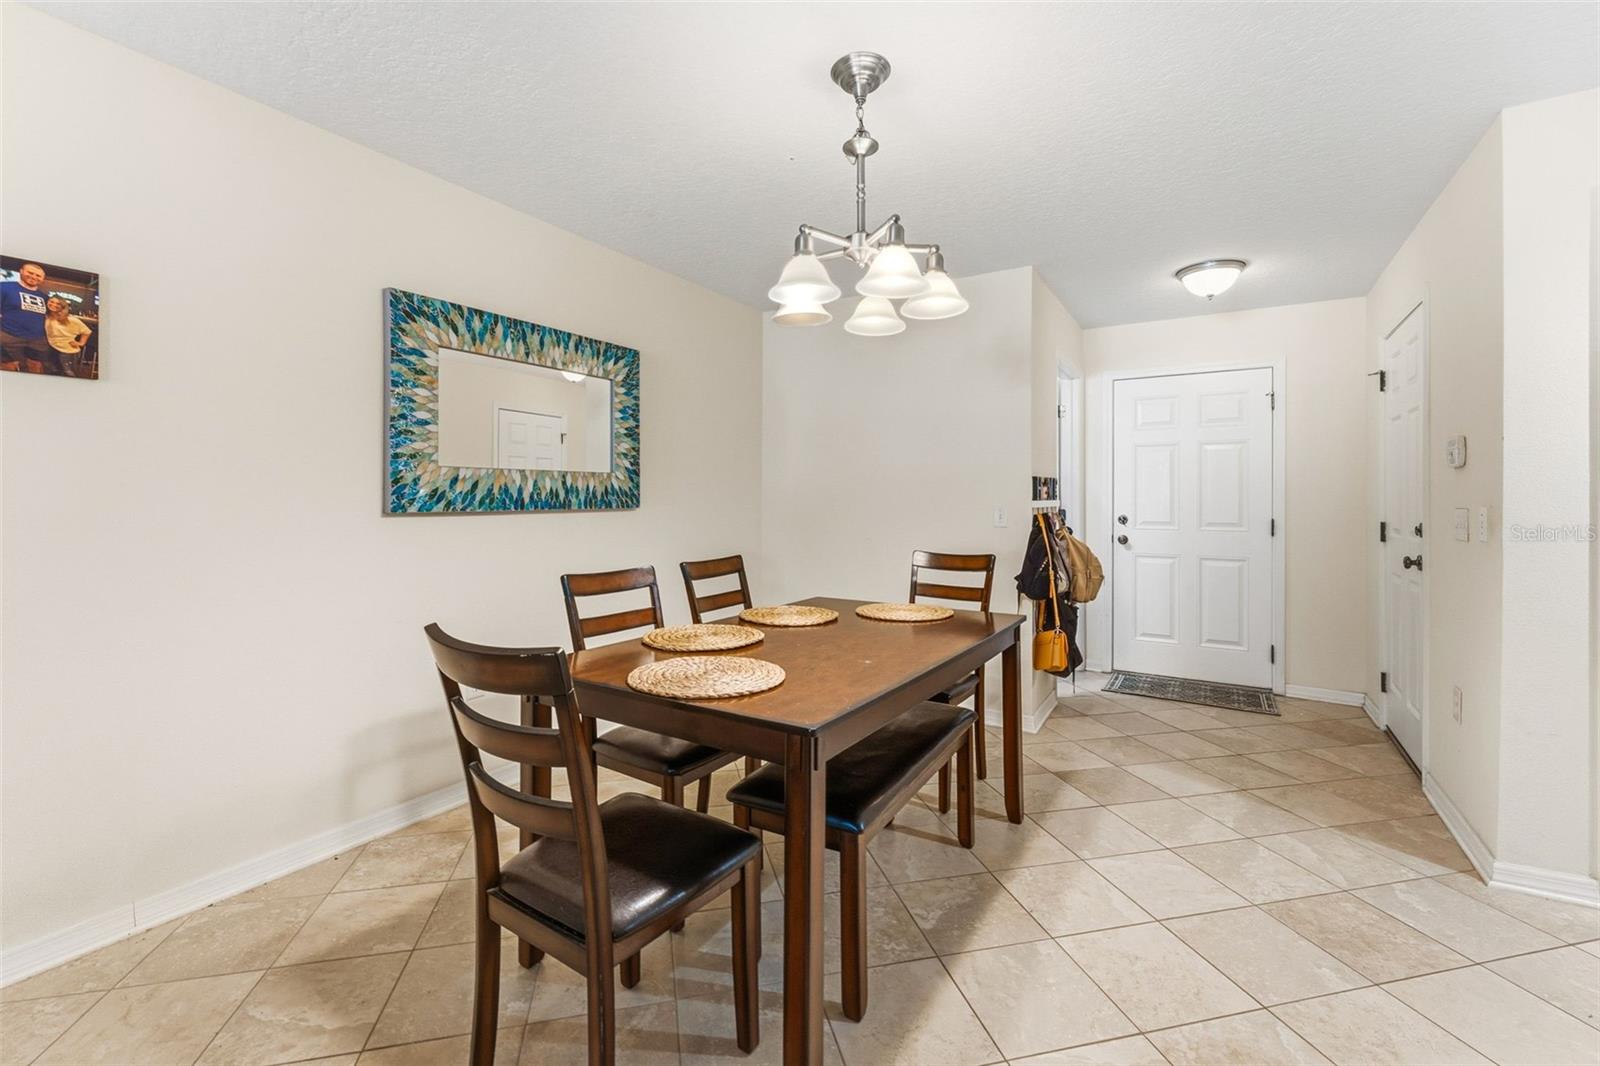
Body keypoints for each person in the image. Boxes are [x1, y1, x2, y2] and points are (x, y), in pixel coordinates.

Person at [1, 262, 70, 375]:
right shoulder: (4, 287)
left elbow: (55, 317)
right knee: (8, 367)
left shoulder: (45, 297)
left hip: (38, 340)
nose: (33, 277)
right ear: (21, 271)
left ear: (42, 279)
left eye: (38, 275)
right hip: (8, 336)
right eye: (30, 273)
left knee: (35, 369)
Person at [44, 297, 93, 376]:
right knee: (53, 372)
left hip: (67, 351)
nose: (53, 304)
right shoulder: (48, 317)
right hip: (52, 348)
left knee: (68, 374)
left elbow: (87, 332)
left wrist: (81, 343)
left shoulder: (70, 319)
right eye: (51, 301)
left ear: (63, 306)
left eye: (58, 303)